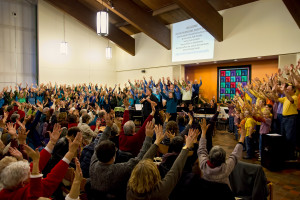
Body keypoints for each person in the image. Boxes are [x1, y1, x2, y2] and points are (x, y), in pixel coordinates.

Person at [89, 114, 161, 199]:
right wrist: (149, 138)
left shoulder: (93, 164)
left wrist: (108, 127)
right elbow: (140, 158)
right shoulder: (118, 170)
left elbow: (99, 144)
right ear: (113, 157)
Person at [126, 128, 197, 200]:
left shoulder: (130, 189)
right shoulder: (159, 191)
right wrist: (186, 147)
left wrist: (156, 143)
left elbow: (142, 162)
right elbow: (175, 170)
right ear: (154, 175)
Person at [198, 118, 245, 188]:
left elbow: (202, 150)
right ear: (224, 159)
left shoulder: (204, 165)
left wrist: (203, 132)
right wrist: (242, 136)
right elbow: (235, 155)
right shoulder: (226, 168)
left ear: (209, 156)